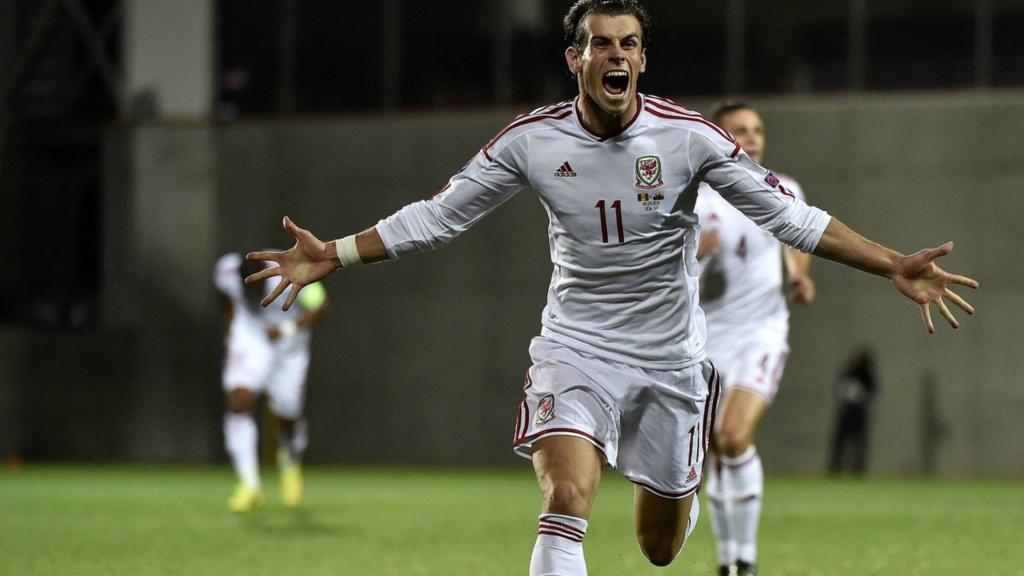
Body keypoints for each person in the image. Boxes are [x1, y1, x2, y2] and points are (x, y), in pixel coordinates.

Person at [244, 1, 977, 572]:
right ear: (576, 58)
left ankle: (680, 496)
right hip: (576, 348)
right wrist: (334, 254)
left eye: (627, 43)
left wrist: (892, 264)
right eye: (601, 43)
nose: (616, 55)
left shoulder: (688, 137)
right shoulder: (531, 140)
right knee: (564, 501)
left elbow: (790, 215)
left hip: (670, 361)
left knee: (658, 548)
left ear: (642, 58)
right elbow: (438, 217)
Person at [694, 101, 815, 576]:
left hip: (762, 333)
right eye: (741, 129)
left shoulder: (783, 189)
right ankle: (730, 561)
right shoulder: (696, 199)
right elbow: (665, 274)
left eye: (758, 129)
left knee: (733, 435)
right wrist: (696, 254)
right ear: (719, 137)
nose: (753, 137)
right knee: (717, 451)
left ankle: (744, 559)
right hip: (707, 339)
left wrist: (799, 277)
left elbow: (796, 239)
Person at [214, 251, 328, 513]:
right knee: (239, 401)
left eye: (258, 288)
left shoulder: (293, 271)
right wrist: (233, 331)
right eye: (248, 290)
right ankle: (249, 484)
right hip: (252, 342)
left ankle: (290, 459)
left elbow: (321, 306)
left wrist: (286, 330)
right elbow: (225, 299)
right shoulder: (226, 271)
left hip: (288, 346)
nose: (254, 297)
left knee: (287, 413)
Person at [828, 347, 878, 476]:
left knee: (859, 443)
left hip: (860, 413)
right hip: (846, 411)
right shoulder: (850, 371)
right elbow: (839, 385)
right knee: (840, 441)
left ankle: (858, 469)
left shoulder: (867, 374)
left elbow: (874, 392)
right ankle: (835, 468)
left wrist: (862, 396)